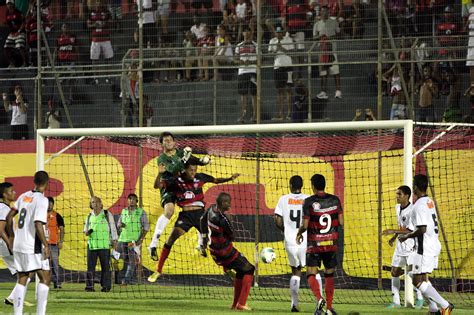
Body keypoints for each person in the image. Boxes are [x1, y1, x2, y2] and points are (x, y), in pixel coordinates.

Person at [148, 164, 240, 282]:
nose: (193, 172)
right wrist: (160, 173)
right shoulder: (176, 181)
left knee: (216, 243)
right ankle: (158, 270)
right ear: (184, 170)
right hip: (186, 216)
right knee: (170, 239)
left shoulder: (200, 177)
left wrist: (229, 178)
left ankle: (226, 269)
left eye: (195, 170)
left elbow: (216, 180)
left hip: (201, 215)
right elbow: (157, 186)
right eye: (191, 170)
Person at [149, 132, 210, 261]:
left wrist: (203, 161)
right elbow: (172, 170)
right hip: (170, 187)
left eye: (170, 140)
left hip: (182, 186)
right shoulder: (161, 159)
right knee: (169, 211)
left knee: (197, 209)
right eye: (165, 141)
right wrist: (184, 159)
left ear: (174, 142)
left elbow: (193, 160)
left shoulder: (181, 152)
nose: (169, 142)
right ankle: (153, 244)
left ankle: (200, 244)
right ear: (162, 144)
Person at [398, 175, 454, 315]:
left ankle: (445, 306)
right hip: (433, 243)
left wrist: (407, 236)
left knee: (416, 280)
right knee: (420, 277)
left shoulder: (419, 205)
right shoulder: (429, 201)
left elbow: (422, 229)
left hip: (424, 247)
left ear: (415, 186)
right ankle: (433, 309)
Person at [296, 174, 343, 315]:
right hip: (331, 243)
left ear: (313, 186)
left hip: (315, 243)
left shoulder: (309, 202)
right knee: (329, 274)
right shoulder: (335, 200)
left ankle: (319, 298)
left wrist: (299, 233)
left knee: (311, 273)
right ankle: (329, 308)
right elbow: (341, 222)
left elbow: (305, 224)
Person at [274, 175, 322, 312]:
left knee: (296, 272)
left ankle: (294, 305)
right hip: (306, 240)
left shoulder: (283, 199)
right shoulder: (308, 199)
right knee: (314, 270)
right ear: (302, 186)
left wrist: (286, 231)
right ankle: (320, 299)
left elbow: (277, 220)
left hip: (290, 241)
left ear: (290, 185)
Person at [200, 192, 254, 311]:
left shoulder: (210, 210)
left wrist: (204, 238)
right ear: (223, 203)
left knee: (241, 271)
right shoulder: (223, 219)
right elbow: (231, 235)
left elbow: (202, 220)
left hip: (214, 250)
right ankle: (242, 304)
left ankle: (235, 305)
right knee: (250, 269)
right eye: (228, 202)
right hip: (225, 251)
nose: (230, 204)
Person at [11, 171, 51, 315]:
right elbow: (38, 224)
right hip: (31, 246)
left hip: (18, 243)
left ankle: (18, 313)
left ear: (34, 181)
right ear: (47, 182)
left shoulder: (23, 196)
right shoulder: (42, 200)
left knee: (22, 277)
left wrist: (11, 236)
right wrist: (46, 245)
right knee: (45, 277)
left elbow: (10, 217)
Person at [382, 186, 424, 309]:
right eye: (397, 194)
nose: (397, 196)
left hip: (411, 245)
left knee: (412, 274)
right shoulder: (397, 208)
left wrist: (391, 231)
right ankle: (396, 302)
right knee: (394, 272)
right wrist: (394, 237)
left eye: (399, 194)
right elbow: (401, 227)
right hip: (400, 246)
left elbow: (410, 229)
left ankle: (420, 299)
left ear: (407, 195)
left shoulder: (412, 210)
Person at [0, 182, 27, 306]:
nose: (14, 193)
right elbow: (1, 229)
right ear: (5, 194)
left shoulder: (5, 207)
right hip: (6, 245)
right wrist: (10, 244)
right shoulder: (3, 208)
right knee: (28, 270)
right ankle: (13, 298)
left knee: (22, 272)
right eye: (11, 191)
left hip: (4, 246)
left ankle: (13, 297)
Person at [83, 196, 118, 292]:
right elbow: (85, 230)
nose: (96, 204)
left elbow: (113, 228)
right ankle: (89, 287)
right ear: (91, 205)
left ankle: (106, 286)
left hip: (105, 246)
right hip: (92, 246)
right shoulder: (89, 216)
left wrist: (115, 241)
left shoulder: (107, 214)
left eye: (98, 202)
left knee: (105, 267)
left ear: (101, 204)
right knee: (90, 268)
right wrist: (87, 232)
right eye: (93, 202)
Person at [117, 194, 149, 285]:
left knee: (132, 261)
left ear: (137, 201)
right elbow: (118, 224)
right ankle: (121, 278)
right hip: (123, 239)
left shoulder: (141, 212)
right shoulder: (124, 211)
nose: (131, 201)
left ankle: (125, 280)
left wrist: (141, 239)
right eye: (130, 199)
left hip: (133, 241)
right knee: (124, 259)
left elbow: (146, 227)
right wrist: (120, 225)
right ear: (128, 200)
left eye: (134, 199)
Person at [313, 6, 342, 100]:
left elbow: (339, 34)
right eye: (323, 11)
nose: (324, 13)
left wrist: (331, 37)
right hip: (322, 50)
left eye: (326, 11)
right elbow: (314, 37)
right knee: (323, 72)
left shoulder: (334, 22)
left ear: (328, 12)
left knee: (335, 71)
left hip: (332, 50)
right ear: (320, 13)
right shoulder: (317, 24)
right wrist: (321, 36)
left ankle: (338, 91)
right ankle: (323, 92)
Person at [268, 26, 295, 121]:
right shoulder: (272, 41)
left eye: (280, 32)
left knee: (288, 89)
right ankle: (280, 114)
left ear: (282, 32)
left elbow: (293, 53)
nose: (278, 34)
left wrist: (282, 48)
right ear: (275, 33)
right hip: (278, 67)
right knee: (279, 90)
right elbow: (269, 54)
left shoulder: (288, 39)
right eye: (277, 32)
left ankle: (289, 113)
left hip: (288, 66)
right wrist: (275, 50)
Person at [235, 29, 257, 123]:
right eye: (245, 31)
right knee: (243, 94)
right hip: (242, 71)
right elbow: (235, 59)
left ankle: (255, 115)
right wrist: (241, 61)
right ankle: (243, 116)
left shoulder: (256, 45)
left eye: (249, 31)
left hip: (253, 71)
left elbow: (261, 59)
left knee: (254, 94)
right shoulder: (239, 46)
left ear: (251, 33)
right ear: (243, 33)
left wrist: (251, 62)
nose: (247, 33)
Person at [46, 197, 65, 289]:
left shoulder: (57, 215)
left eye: (51, 203)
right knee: (44, 265)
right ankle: (45, 283)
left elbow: (62, 229)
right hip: (43, 245)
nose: (49, 205)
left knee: (55, 265)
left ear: (53, 204)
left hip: (53, 245)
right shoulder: (40, 214)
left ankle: (57, 283)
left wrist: (61, 241)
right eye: (47, 203)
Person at [4, 0, 27, 68]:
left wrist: (19, 31)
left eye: (10, 4)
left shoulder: (18, 12)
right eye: (8, 4)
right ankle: (11, 63)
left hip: (20, 32)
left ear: (13, 4)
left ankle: (25, 63)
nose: (9, 5)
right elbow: (9, 24)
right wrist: (11, 32)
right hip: (12, 33)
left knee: (20, 46)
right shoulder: (7, 13)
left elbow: (23, 22)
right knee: (6, 47)